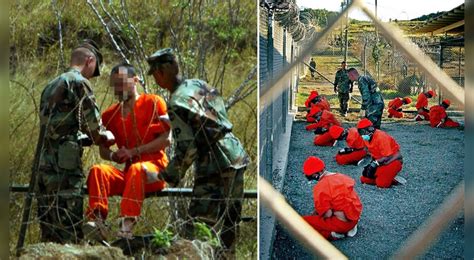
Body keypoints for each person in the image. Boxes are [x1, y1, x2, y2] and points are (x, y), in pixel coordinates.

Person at [146, 48, 249, 254]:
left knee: (198, 228)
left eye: (155, 73)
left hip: (214, 164)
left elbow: (188, 148)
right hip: (235, 154)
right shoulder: (198, 84)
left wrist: (167, 175)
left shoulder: (176, 102)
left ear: (161, 72)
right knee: (230, 221)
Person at [36, 40, 112, 243]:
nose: (91, 76)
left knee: (50, 230)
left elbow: (53, 126)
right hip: (65, 166)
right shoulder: (79, 82)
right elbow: (94, 127)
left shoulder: (51, 84)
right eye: (93, 70)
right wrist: (106, 137)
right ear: (90, 60)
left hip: (44, 164)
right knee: (69, 228)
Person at [84, 64, 171, 240]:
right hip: (130, 176)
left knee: (137, 169)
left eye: (122, 83)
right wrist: (113, 156)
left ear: (136, 80)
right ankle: (97, 222)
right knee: (98, 170)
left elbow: (166, 140)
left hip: (155, 171)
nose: (119, 88)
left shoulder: (154, 102)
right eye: (115, 84)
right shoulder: (110, 114)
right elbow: (103, 148)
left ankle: (126, 227)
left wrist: (133, 152)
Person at [301, 156, 362, 240]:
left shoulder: (320, 187)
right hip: (354, 219)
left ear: (315, 174)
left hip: (342, 224)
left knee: (303, 222)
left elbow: (327, 214)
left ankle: (333, 234)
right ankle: (349, 228)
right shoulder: (341, 176)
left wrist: (317, 215)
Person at [357, 119, 404, 188]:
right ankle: (386, 176)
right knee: (364, 179)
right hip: (381, 162)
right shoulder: (367, 138)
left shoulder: (381, 137)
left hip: (392, 161)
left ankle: (393, 179)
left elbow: (388, 156)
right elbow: (369, 151)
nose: (362, 134)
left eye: (363, 131)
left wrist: (375, 163)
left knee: (382, 184)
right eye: (360, 132)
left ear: (370, 129)